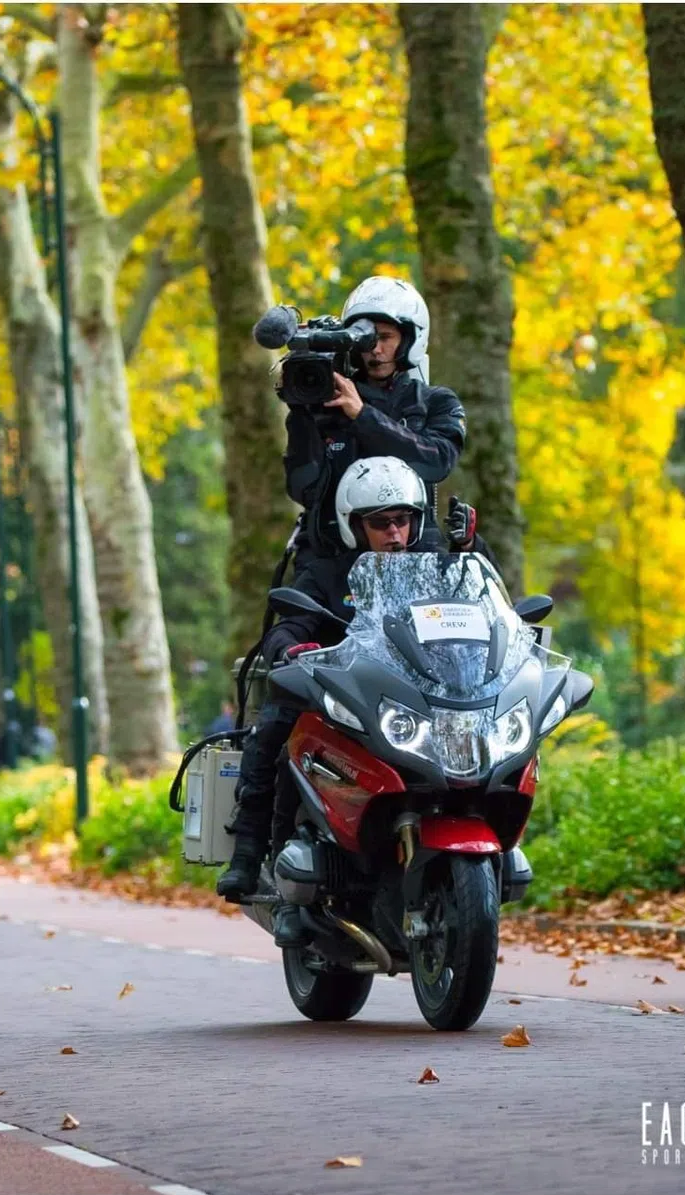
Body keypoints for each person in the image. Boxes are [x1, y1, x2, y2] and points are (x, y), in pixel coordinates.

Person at [220, 274, 469, 911]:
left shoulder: (436, 402)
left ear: (410, 340)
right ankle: (252, 849)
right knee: (286, 687)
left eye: (386, 336)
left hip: (418, 572)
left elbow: (434, 461)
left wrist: (365, 415)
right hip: (328, 571)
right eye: (366, 336)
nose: (375, 347)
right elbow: (303, 487)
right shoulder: (318, 397)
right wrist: (313, 413)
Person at [238, 456, 491, 947]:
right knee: (281, 731)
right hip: (346, 701)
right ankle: (258, 861)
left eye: (403, 520)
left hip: (422, 702)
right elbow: (287, 624)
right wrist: (291, 648)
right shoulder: (326, 575)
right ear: (354, 526)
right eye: (380, 523)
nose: (394, 533)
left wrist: (471, 547)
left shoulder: (439, 569)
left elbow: (482, 603)